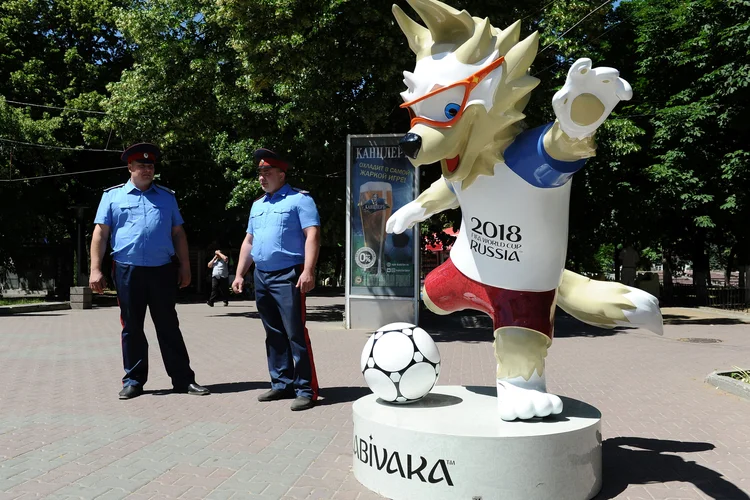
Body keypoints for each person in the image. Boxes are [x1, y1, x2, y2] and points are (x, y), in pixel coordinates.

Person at [89, 143, 210, 400]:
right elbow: (100, 233)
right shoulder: (112, 196)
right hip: (127, 269)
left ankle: (183, 379)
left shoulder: (167, 197)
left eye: (151, 166)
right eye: (141, 165)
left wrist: (186, 266)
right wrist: (95, 269)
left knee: (168, 325)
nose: (147, 169)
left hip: (162, 270)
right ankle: (134, 380)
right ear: (130, 167)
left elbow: (178, 233)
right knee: (132, 326)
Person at [232, 148, 321, 411]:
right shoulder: (257, 205)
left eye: (267, 173)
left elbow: (312, 236)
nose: (262, 177)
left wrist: (308, 271)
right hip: (262, 275)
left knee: (295, 333)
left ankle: (306, 389)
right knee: (273, 333)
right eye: (260, 173)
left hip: (288, 275)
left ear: (282, 175)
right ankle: (282, 384)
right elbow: (249, 241)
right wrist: (239, 273)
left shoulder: (300, 200)